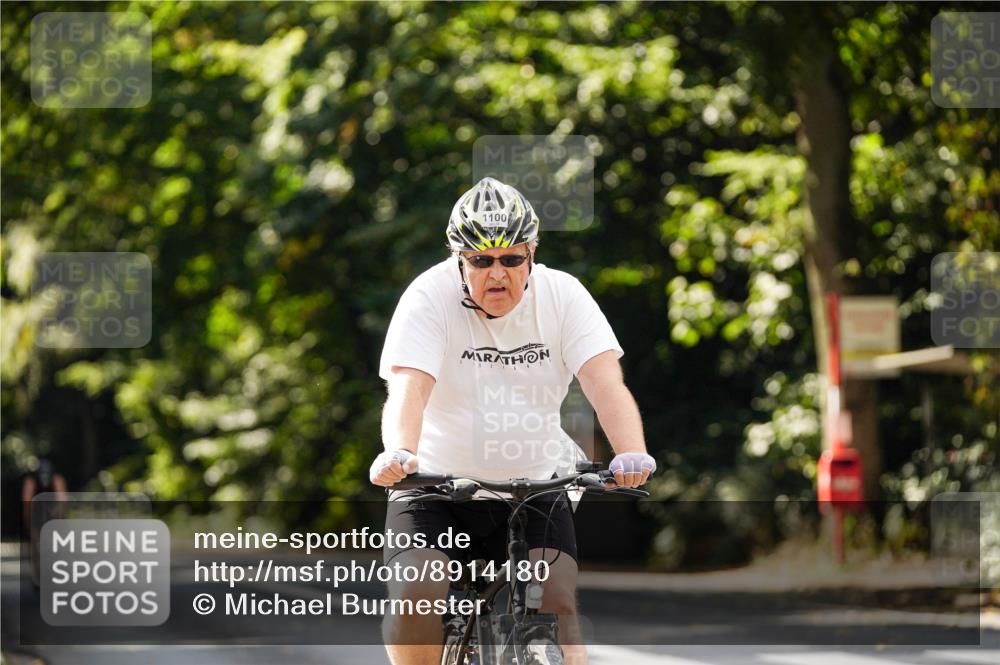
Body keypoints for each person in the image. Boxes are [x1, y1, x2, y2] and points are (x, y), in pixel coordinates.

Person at [371, 177, 655, 665]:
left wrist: (630, 451)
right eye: (481, 260)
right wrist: (400, 452)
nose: (496, 273)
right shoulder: (428, 297)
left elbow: (605, 383)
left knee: (558, 603)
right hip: (437, 487)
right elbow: (409, 388)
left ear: (532, 254)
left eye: (511, 259)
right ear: (459, 259)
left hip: (535, 486)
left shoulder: (564, 296)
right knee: (416, 594)